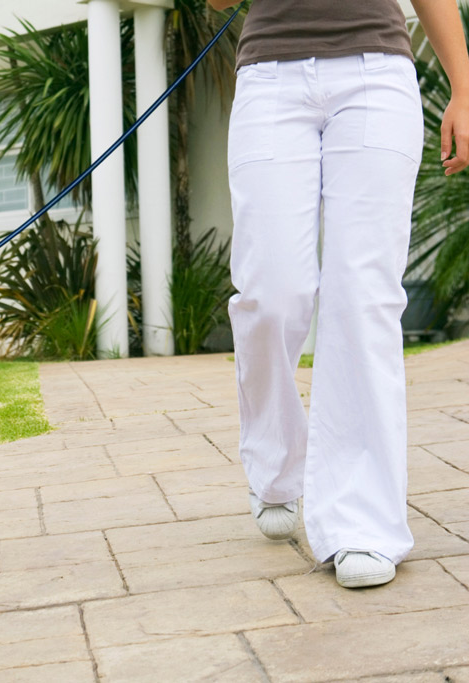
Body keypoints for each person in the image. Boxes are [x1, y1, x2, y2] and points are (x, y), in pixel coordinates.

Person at [208, 0, 469, 588]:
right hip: (270, 77)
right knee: (271, 290)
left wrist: (464, 87)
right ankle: (276, 467)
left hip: (376, 71)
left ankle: (363, 523)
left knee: (363, 296)